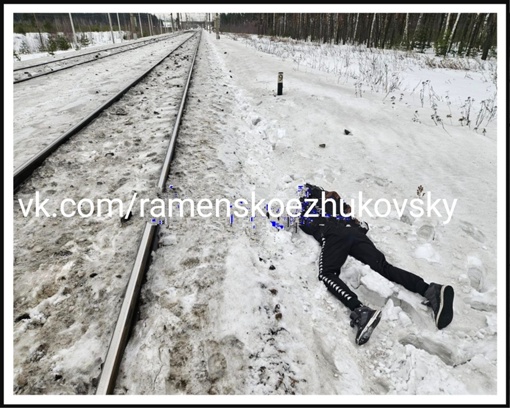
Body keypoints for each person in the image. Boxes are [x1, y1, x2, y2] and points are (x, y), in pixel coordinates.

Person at [298, 183, 454, 345]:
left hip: (334, 235)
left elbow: (305, 224)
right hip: (355, 233)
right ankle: (430, 290)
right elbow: (363, 226)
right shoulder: (336, 202)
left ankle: (360, 310)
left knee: (326, 273)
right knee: (384, 267)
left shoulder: (308, 207)